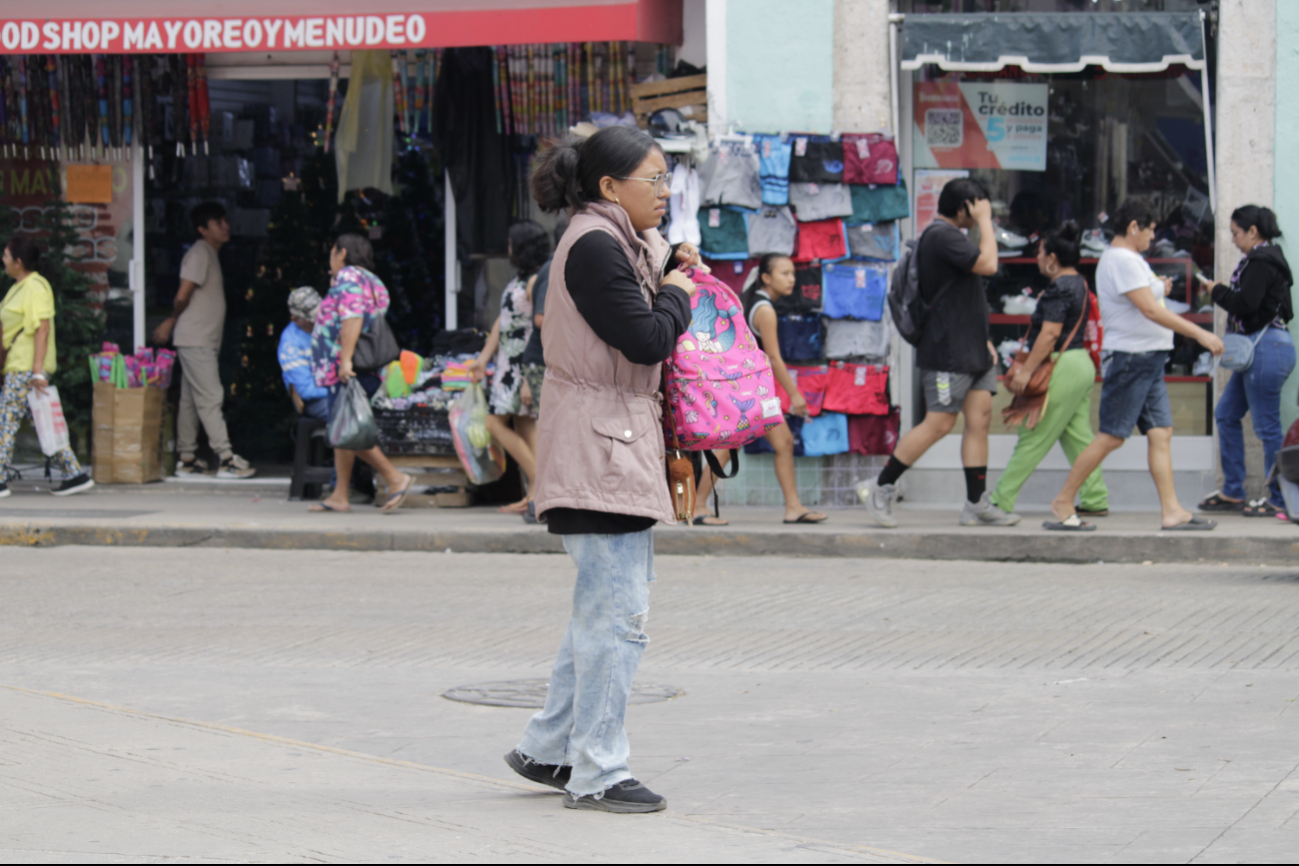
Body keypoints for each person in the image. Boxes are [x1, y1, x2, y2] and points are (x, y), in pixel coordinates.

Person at [503, 125, 699, 814]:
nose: (664, 191)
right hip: (599, 448)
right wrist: (676, 289)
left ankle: (548, 746)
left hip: (608, 442)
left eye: (667, 177)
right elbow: (646, 337)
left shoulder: (603, 238)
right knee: (617, 618)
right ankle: (597, 771)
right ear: (610, 187)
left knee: (602, 608)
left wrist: (667, 264)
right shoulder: (591, 246)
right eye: (654, 178)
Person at [1045, 198, 1224, 531]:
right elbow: (1151, 310)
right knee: (1112, 436)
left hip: (1147, 358)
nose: (1152, 237)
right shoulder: (1122, 260)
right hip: (1131, 358)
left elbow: (1145, 299)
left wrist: (1159, 287)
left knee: (1161, 433)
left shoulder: (1129, 260)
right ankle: (1063, 501)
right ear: (1133, 228)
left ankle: (1171, 511)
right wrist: (1200, 333)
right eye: (1150, 230)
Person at [856, 177, 1013, 528]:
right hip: (947, 353)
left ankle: (976, 503)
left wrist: (983, 339)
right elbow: (988, 265)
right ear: (964, 208)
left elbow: (963, 298)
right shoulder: (940, 236)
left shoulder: (952, 238)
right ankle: (879, 487)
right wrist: (986, 222)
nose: (981, 216)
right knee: (940, 423)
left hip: (973, 350)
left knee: (980, 421)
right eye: (978, 208)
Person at [692, 254, 828, 526]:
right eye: (784, 273)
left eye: (792, 273)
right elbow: (774, 358)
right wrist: (795, 394)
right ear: (766, 278)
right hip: (753, 391)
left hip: (751, 389)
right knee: (732, 445)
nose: (791, 279)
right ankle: (697, 506)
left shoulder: (755, 304)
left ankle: (793, 507)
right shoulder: (764, 310)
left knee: (781, 443)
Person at [990, 223, 1109, 517]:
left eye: (1040, 253)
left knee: (1034, 435)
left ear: (1053, 258)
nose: (1037, 258)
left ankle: (999, 500)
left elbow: (1048, 335)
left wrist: (1026, 372)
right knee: (1077, 434)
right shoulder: (1079, 282)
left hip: (1060, 364)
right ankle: (1095, 496)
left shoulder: (1059, 288)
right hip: (1080, 364)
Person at [1198, 205, 1295, 518]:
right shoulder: (1270, 260)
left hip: (1266, 351)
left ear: (1253, 232)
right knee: (1226, 414)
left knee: (1267, 427)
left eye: (1236, 233)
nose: (1233, 239)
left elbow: (1245, 304)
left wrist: (1216, 291)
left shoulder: (1261, 262)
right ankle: (1233, 491)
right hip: (1264, 350)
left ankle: (1280, 497)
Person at [307, 233, 413, 514]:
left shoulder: (349, 277)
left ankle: (394, 477)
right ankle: (340, 494)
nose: (330, 258)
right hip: (362, 367)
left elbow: (352, 317)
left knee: (346, 429)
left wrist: (345, 362)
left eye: (332, 251)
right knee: (343, 429)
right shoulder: (369, 279)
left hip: (350, 368)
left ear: (342, 253)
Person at [153, 201, 256, 479]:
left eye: (225, 221)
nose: (226, 227)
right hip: (196, 339)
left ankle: (186, 458)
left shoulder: (209, 253)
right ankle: (225, 458)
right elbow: (182, 295)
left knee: (190, 400)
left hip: (199, 339)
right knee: (211, 395)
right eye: (218, 223)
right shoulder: (200, 253)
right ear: (202, 229)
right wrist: (171, 320)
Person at [0, 236, 94, 498]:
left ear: (18, 262)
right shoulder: (18, 287)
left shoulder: (35, 287)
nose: (3, 260)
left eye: (6, 256)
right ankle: (74, 473)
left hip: (26, 368)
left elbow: (42, 328)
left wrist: (38, 371)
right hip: (20, 367)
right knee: (42, 422)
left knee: (4, 422)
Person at [469, 220, 552, 517]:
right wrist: (483, 358)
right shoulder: (520, 279)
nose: (507, 247)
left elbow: (536, 329)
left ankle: (541, 489)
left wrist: (530, 378)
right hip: (507, 363)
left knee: (494, 424)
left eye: (510, 242)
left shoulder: (536, 281)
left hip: (521, 365)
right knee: (525, 426)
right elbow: (502, 322)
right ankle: (533, 493)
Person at [515, 215, 569, 524]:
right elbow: (540, 317)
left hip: (545, 359)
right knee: (551, 430)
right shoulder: (553, 267)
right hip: (541, 359)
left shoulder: (559, 265)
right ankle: (540, 501)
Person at [278, 286, 329, 421]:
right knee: (349, 411)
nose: (318, 320)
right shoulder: (291, 344)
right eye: (311, 320)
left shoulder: (328, 319)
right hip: (315, 399)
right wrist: (337, 388)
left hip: (338, 386)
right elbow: (306, 390)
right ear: (295, 319)